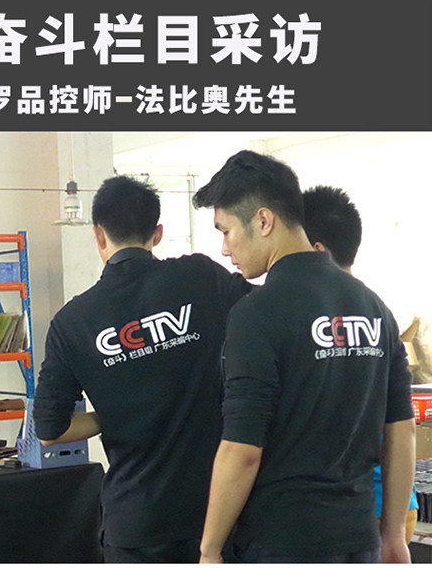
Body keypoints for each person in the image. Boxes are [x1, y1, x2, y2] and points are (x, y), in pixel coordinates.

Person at [192, 150, 415, 563]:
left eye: (226, 231)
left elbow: (242, 450)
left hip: (283, 542)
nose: (224, 249)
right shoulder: (373, 307)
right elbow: (401, 431)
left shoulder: (257, 313)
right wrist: (394, 534)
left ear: (263, 221)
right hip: (358, 539)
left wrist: (210, 548)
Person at [32, 174, 252, 563]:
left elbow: (50, 430)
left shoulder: (73, 322)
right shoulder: (201, 278)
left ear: (98, 235)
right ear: (158, 232)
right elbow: (271, 315)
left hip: (136, 524)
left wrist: (112, 415)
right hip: (216, 515)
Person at [302, 184, 419, 545]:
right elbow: (403, 427)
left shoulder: (312, 322)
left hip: (359, 509)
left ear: (317, 251)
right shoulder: (377, 312)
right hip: (397, 505)